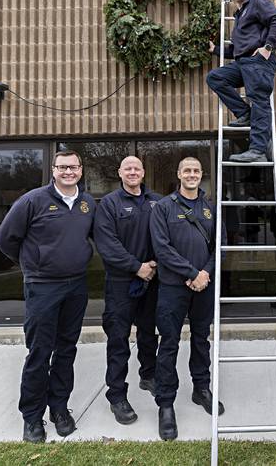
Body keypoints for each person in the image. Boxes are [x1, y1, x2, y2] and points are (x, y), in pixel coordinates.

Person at [0, 150, 96, 443]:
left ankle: (60, 409)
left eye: (73, 167)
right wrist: (32, 263)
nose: (68, 172)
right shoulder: (32, 200)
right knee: (40, 352)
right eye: (63, 167)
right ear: (53, 170)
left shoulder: (87, 203)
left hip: (76, 286)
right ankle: (32, 417)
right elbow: (5, 239)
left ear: (80, 170)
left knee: (66, 349)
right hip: (43, 286)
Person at [150, 157, 224, 441]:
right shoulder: (164, 207)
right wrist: (192, 272)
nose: (192, 175)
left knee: (201, 339)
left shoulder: (211, 208)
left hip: (204, 286)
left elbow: (220, 246)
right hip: (172, 287)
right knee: (168, 343)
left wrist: (205, 273)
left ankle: (201, 388)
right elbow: (162, 248)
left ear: (201, 175)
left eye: (196, 171)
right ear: (178, 174)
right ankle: (166, 404)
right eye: (187, 171)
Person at [93, 156, 162, 425]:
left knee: (148, 332)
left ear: (143, 172)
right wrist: (137, 267)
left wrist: (154, 264)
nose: (132, 172)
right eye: (127, 168)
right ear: (120, 173)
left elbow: (165, 234)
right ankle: (117, 395)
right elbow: (107, 245)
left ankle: (149, 375)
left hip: (153, 278)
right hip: (121, 283)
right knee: (118, 339)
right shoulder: (109, 204)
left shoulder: (157, 201)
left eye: (137, 168)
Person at [206, 0, 276, 163]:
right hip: (242, 63)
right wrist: (215, 49)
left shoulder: (257, 2)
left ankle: (257, 150)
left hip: (258, 62)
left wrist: (268, 47)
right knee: (215, 77)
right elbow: (236, 49)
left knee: (259, 101)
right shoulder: (239, 15)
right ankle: (244, 113)